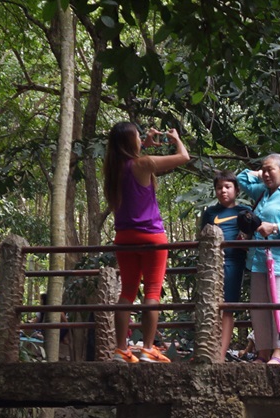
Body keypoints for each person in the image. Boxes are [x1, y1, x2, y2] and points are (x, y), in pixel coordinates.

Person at [103, 122, 192, 362]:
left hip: (124, 237)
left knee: (127, 292)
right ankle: (148, 348)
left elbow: (135, 162)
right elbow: (184, 157)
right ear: (129, 142)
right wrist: (175, 139)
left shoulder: (113, 169)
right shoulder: (144, 164)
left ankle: (121, 349)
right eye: (137, 137)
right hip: (151, 235)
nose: (141, 139)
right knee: (152, 290)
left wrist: (144, 145)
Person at [236, 154, 280, 365]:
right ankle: (263, 352)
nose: (266, 174)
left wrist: (275, 228)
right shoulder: (263, 192)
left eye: (271, 170)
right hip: (259, 260)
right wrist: (260, 173)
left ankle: (279, 354)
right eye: (264, 170)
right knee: (259, 307)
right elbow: (241, 178)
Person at [201, 173, 257, 360]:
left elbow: (251, 236)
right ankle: (206, 349)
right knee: (209, 306)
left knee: (228, 308)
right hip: (211, 265)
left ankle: (221, 353)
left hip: (234, 264)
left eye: (227, 187)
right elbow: (202, 238)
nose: (223, 191)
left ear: (236, 190)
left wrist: (245, 239)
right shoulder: (209, 213)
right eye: (219, 188)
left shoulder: (245, 211)